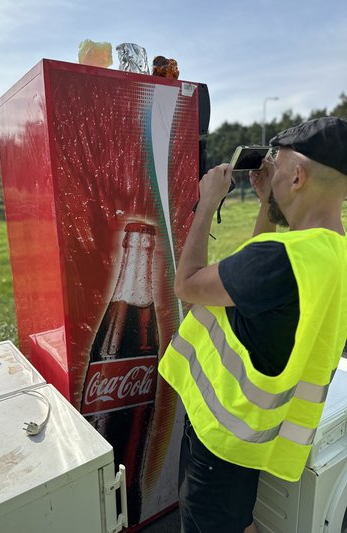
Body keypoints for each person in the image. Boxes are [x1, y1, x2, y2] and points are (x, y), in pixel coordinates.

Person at [158, 116, 347, 533]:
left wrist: (207, 202)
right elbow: (254, 284)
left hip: (222, 437)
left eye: (276, 165)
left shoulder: (280, 260)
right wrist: (266, 203)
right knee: (238, 520)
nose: (271, 172)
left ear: (297, 176)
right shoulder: (331, 252)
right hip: (259, 434)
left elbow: (187, 285)